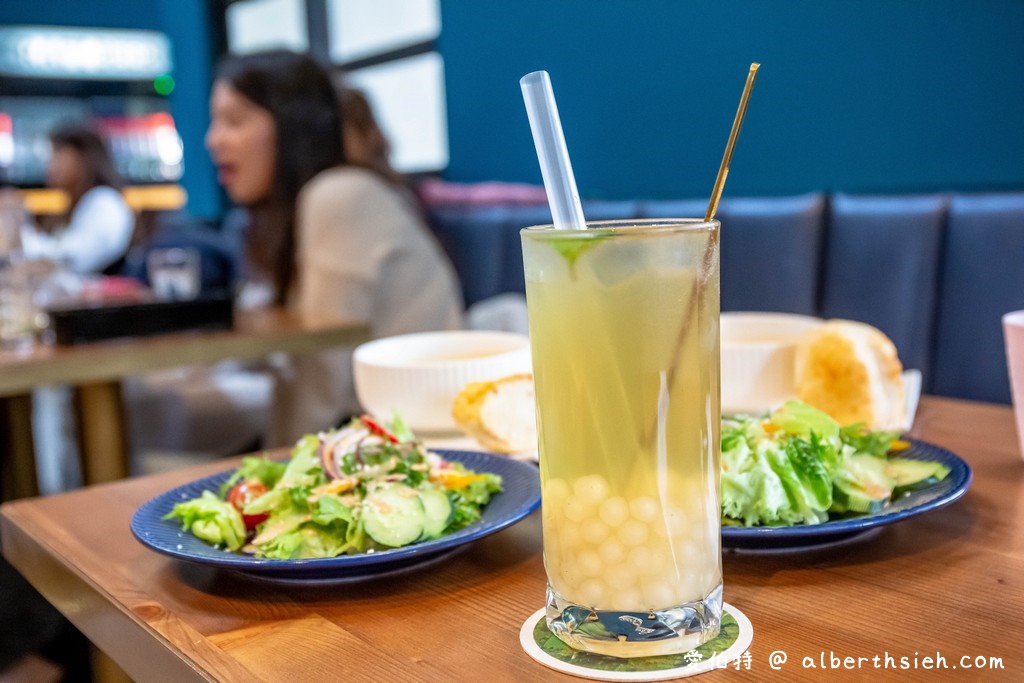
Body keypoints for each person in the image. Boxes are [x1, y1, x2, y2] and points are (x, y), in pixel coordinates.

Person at [206, 50, 463, 446]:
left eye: (234, 121)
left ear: (292, 126)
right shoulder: (296, 212)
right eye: (215, 122)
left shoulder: (339, 195)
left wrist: (278, 477)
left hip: (415, 439)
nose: (213, 140)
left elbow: (323, 371)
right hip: (372, 430)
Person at [20, 122, 135, 274]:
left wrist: (18, 232)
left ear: (83, 158)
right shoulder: (79, 203)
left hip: (97, 298)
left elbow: (69, 261)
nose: (50, 164)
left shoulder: (104, 202)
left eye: (58, 154)